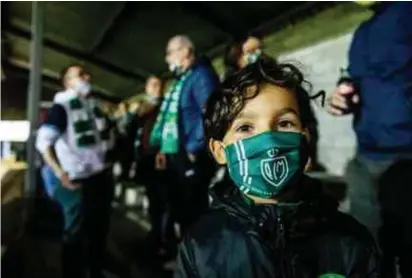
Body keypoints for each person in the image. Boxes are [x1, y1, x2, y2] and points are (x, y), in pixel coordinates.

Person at [175, 57, 380, 278]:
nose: (270, 142)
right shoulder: (201, 245)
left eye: (284, 124)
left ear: (304, 138)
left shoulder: (351, 240)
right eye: (246, 127)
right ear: (220, 151)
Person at [326, 2, 412, 277]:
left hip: (406, 159)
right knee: (368, 253)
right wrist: (343, 97)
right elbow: (353, 80)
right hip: (366, 160)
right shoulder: (362, 33)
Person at [36, 64, 115, 278]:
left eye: (86, 73)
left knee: (99, 230)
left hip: (99, 177)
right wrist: (60, 173)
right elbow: (44, 143)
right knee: (75, 234)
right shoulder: (62, 107)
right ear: (68, 82)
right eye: (80, 75)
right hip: (77, 181)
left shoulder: (91, 105)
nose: (87, 77)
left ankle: (96, 271)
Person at [150, 35, 219, 237]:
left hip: (193, 157)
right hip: (179, 156)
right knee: (181, 210)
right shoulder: (183, 80)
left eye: (170, 52)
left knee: (193, 213)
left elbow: (212, 112)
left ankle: (197, 261)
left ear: (185, 52)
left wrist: (193, 148)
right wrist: (165, 148)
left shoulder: (201, 76)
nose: (167, 59)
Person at [132, 76, 176, 254]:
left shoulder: (166, 106)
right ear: (146, 88)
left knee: (163, 199)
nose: (156, 88)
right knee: (153, 198)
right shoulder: (142, 107)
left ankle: (163, 238)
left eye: (159, 84)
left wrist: (163, 150)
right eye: (153, 85)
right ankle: (155, 234)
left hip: (160, 157)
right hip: (145, 159)